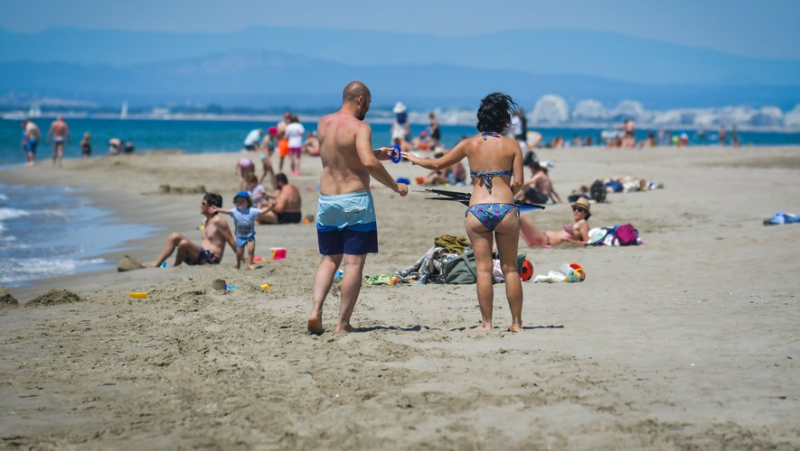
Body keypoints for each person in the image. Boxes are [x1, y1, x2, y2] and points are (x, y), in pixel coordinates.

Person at [404, 92, 524, 333]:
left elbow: (438, 164)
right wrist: (505, 192)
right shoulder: (512, 146)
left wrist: (415, 159)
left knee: (483, 269)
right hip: (506, 209)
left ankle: (487, 324)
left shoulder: (470, 144)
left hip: (477, 210)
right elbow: (519, 182)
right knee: (510, 268)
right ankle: (517, 324)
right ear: (503, 119)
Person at [308, 81, 409, 335]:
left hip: (328, 200)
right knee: (353, 264)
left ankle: (315, 311)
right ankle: (342, 324)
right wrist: (395, 186)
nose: (368, 109)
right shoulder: (360, 126)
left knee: (329, 259)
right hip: (354, 200)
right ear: (361, 100)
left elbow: (341, 154)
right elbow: (367, 163)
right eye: (369, 104)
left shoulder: (323, 123)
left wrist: (378, 153)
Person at [141, 193, 236, 268]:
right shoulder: (205, 220)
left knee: (184, 243)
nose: (200, 205)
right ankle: (157, 263)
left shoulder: (219, 221)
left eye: (203, 204)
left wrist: (242, 259)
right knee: (175, 236)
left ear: (212, 208)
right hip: (200, 255)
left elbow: (231, 240)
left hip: (211, 259)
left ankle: (175, 267)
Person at [210, 191, 262, 270]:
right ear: (235, 203)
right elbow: (226, 211)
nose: (240, 203)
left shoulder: (252, 211)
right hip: (240, 236)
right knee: (239, 253)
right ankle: (238, 262)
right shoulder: (235, 211)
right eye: (237, 201)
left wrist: (271, 207)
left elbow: (262, 211)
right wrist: (218, 209)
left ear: (248, 202)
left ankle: (250, 264)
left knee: (251, 249)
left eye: (242, 201)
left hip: (250, 235)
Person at [519, 197, 592, 247]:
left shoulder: (583, 223)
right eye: (575, 208)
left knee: (519, 216)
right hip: (544, 238)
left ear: (585, 213)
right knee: (517, 221)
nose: (576, 211)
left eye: (579, 209)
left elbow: (587, 242)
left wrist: (570, 241)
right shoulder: (576, 223)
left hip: (546, 241)